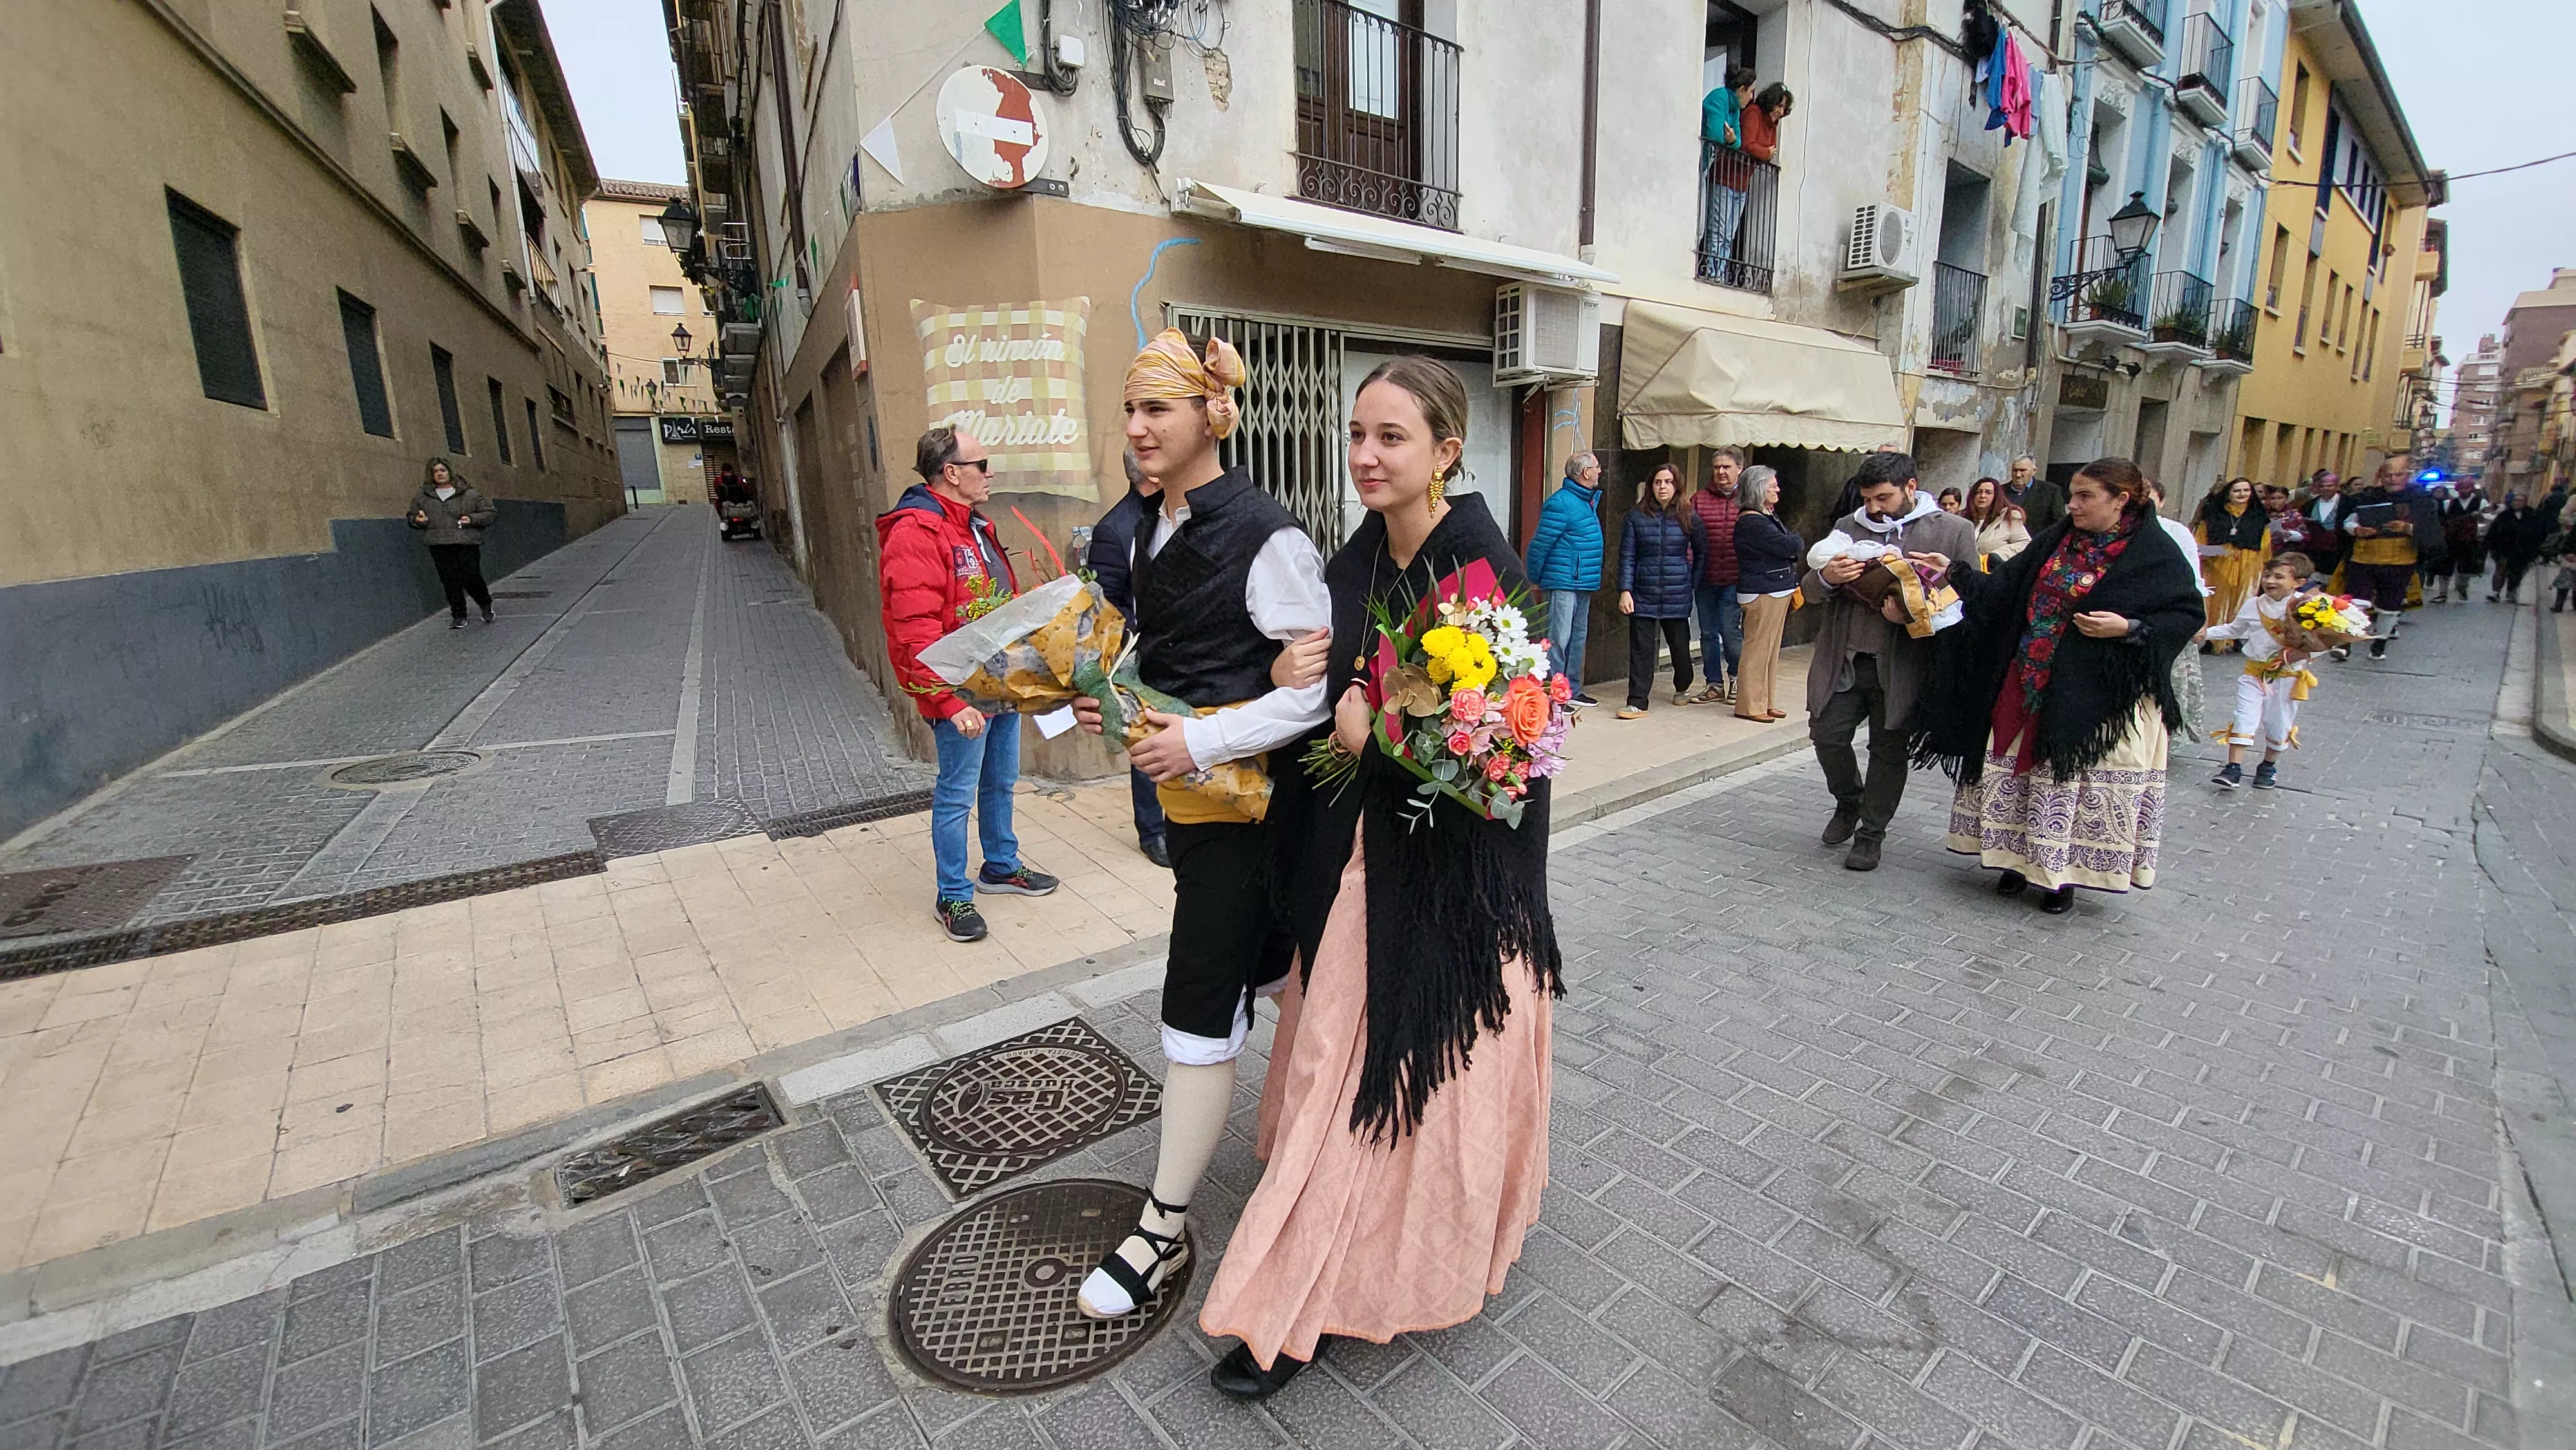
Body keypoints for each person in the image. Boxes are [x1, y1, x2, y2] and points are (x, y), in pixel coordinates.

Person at [1200, 355, 1558, 1401]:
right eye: (1358, 432)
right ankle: (1340, 1237)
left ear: (1448, 449)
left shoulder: (1482, 570)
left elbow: (1504, 756)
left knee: (1363, 1074)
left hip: (1433, 880)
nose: (1366, 454)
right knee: (1344, 1062)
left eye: (1392, 437)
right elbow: (1320, 666)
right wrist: (1295, 682)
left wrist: (1380, 731)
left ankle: (1287, 1312)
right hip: (1347, 853)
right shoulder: (1362, 551)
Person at [1072, 330, 1332, 1324]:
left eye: (1158, 411)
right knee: (1284, 974)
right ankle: (1318, 1137)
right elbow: (1171, 643)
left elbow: (1315, 696)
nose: (1138, 429)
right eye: (1131, 410)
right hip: (1201, 808)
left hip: (1257, 814)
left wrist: (1204, 740)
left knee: (1196, 1010)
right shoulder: (1149, 524)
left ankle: (1160, 1228)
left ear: (1210, 416)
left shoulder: (1269, 535)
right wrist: (1110, 691)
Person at [1911, 458, 2204, 914]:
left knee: (2070, 781)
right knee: (2016, 771)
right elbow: (2006, 588)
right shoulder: (2058, 537)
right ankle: (2012, 862)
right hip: (2030, 677)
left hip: (2100, 694)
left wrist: (2128, 627)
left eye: (2086, 496)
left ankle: (2059, 877)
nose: (2074, 504)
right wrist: (1953, 571)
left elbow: (2186, 615)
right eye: (2072, 494)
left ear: (2121, 500)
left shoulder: (2155, 552)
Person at [878, 428, 1061, 943]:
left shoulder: (974, 526)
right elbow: (914, 631)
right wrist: (945, 699)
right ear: (951, 473)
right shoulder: (917, 532)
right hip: (959, 693)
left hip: (997, 681)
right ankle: (953, 895)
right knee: (957, 794)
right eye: (982, 464)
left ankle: (1000, 865)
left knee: (1001, 781)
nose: (991, 472)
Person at [1800, 451, 1981, 872]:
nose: (1874, 508)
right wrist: (1829, 578)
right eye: (1868, 499)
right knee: (1826, 733)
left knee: (1888, 749)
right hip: (1844, 657)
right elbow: (1809, 591)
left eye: (1883, 498)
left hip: (1905, 665)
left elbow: (1970, 599)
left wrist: (1916, 611)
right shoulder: (1848, 527)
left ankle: (1871, 835)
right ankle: (1850, 801)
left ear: (1911, 488)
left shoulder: (1953, 531)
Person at [1084, 452, 1173, 869]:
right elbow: (1106, 607)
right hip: (1140, 654)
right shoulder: (1114, 530)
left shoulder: (1178, 514)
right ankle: (1153, 830)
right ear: (1151, 474)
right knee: (1147, 736)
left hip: (1183, 648)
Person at [2201, 553, 2321, 791]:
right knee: (2244, 716)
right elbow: (2234, 629)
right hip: (2254, 673)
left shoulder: (2307, 607)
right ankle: (2232, 768)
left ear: (2299, 582)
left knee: (2279, 723)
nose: (2270, 581)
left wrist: (2305, 654)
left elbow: (2322, 642)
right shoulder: (2253, 605)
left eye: (2279, 577)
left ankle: (2268, 766)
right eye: (2268, 575)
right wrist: (2204, 634)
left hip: (2287, 677)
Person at [1618, 462, 1702, 718]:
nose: (1662, 487)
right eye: (1657, 482)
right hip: (1643, 592)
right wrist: (1625, 590)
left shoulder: (1688, 515)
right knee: (1641, 650)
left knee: (1679, 647)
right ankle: (1637, 701)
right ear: (1650, 486)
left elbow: (1702, 552)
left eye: (1668, 482)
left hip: (1677, 593)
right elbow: (1627, 556)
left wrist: (1691, 582)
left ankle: (1683, 684)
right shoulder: (1636, 517)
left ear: (1676, 486)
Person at [1524, 451, 1606, 706]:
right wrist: (1534, 577)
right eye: (1597, 467)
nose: (1600, 471)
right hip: (1563, 582)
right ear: (1585, 473)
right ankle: (1553, 692)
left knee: (1577, 638)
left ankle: (1571, 690)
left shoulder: (1585, 501)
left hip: (1582, 581)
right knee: (1558, 639)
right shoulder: (1561, 503)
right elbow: (1540, 544)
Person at [1731, 465, 1799, 722]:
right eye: (1773, 486)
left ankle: (1766, 701)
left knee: (1771, 650)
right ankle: (1750, 705)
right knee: (1757, 649)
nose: (1778, 489)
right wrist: (1792, 544)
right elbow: (1790, 544)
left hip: (1776, 588)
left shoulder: (1766, 515)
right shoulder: (1752, 521)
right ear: (1760, 489)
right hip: (1762, 590)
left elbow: (1789, 546)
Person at [1683, 449, 1745, 704]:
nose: (1721, 472)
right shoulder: (1699, 499)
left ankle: (1737, 678)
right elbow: (1687, 537)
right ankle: (1714, 684)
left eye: (1726, 467)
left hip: (1735, 578)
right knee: (1708, 633)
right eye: (1717, 467)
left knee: (1730, 631)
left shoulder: (1749, 498)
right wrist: (1689, 567)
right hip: (1705, 577)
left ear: (1739, 469)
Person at [2341, 462, 2420, 659]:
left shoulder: (2420, 499)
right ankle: (2345, 645)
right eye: (2388, 475)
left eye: (2398, 475)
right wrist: (2357, 530)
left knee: (2390, 606)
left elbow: (2431, 528)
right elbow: (2349, 521)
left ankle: (2379, 647)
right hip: (2364, 556)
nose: (2393, 479)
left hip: (2400, 559)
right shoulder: (2368, 497)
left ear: (2406, 477)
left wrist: (2407, 528)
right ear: (2380, 477)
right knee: (2355, 602)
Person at [408, 458, 497, 629]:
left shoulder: (469, 494)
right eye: (436, 471)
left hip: (466, 542)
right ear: (431, 475)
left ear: (449, 472)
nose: (440, 474)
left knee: (470, 576)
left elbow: (491, 513)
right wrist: (419, 521)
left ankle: (485, 604)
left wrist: (471, 519)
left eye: (443, 470)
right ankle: (459, 615)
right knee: (449, 580)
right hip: (439, 543)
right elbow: (412, 517)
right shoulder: (423, 497)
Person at [1702, 65, 1757, 278]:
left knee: (1726, 233)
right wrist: (1730, 140)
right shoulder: (1720, 98)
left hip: (1707, 164)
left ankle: (1720, 272)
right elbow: (1715, 134)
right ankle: (1713, 272)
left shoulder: (1734, 109)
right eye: (1751, 91)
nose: (1751, 98)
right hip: (1705, 165)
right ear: (1742, 89)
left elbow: (1737, 142)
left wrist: (1732, 140)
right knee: (1717, 229)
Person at [2193, 477, 2268, 634]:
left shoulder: (2259, 515)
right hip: (2217, 564)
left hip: (2249, 564)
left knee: (2243, 600)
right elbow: (2201, 539)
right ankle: (2212, 635)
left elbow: (2265, 545)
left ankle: (2236, 639)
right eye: (2237, 490)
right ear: (2228, 494)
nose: (2242, 494)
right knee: (2216, 601)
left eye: (2246, 490)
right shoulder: (2214, 514)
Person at [2488, 491, 2548, 603]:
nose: (2518, 503)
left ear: (2525, 502)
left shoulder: (2533, 516)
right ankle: (2495, 593)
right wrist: (2491, 546)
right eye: (2516, 500)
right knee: (2500, 570)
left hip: (2523, 550)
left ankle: (2511, 593)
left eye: (2521, 501)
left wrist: (2536, 549)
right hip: (2504, 549)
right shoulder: (2504, 516)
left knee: (2516, 573)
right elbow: (2493, 531)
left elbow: (2540, 533)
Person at [2433, 481, 2483, 603]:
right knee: (2445, 567)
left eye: (2467, 488)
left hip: (2469, 540)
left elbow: (2488, 518)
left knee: (2465, 567)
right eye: (2462, 488)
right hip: (2450, 539)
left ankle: (2462, 587)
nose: (2464, 491)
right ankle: (2443, 593)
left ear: (2471, 489)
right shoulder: (2449, 503)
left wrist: (2479, 517)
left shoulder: (2481, 503)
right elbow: (2442, 520)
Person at [2298, 469, 2351, 581]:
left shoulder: (2348, 503)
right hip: (2314, 550)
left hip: (2337, 550)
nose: (2326, 489)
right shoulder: (2309, 505)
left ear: (2336, 486)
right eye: (2323, 486)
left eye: (2330, 486)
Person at [1965, 476, 2031, 564]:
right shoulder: (1962, 518)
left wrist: (1995, 556)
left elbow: (2025, 543)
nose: (1982, 496)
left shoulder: (2009, 517)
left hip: (1994, 573)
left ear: (1996, 496)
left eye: (1988, 493)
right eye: (1978, 492)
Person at [2002, 455, 2069, 534]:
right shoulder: (2000, 491)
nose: (2018, 474)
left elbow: (2059, 522)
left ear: (2034, 471)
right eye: (2015, 470)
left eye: (2023, 470)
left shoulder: (2051, 492)